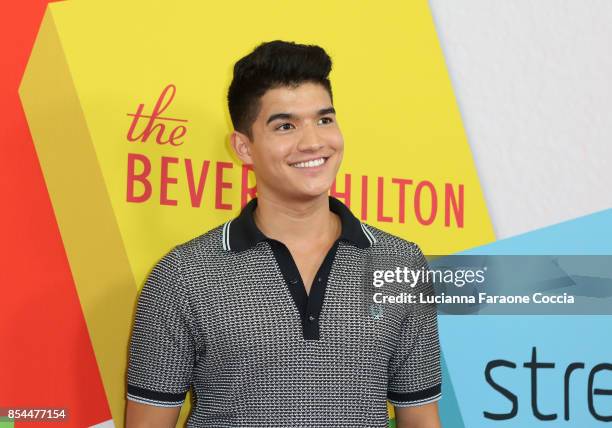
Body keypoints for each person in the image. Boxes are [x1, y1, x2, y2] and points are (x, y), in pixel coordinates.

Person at [125, 40, 442, 428]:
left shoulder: (401, 263)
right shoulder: (182, 275)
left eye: (324, 120)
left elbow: (421, 417)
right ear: (243, 147)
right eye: (285, 126)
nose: (313, 142)